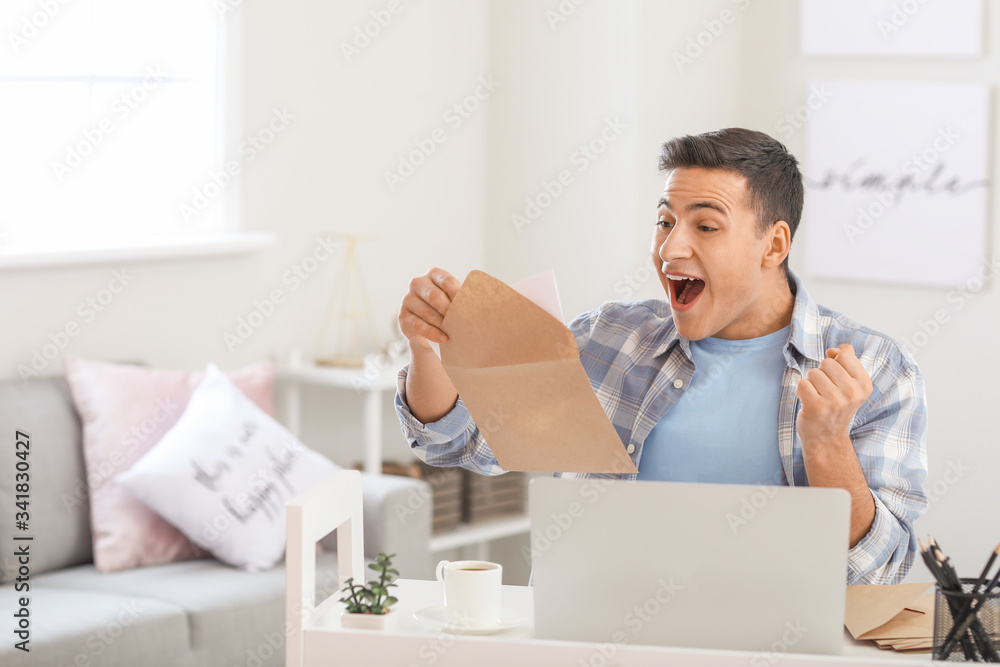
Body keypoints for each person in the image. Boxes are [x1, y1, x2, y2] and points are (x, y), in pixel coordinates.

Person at [393, 128, 928, 585]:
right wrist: (429, 349)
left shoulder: (875, 369)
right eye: (665, 221)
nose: (670, 250)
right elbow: (460, 440)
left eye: (706, 225)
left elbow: (877, 573)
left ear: (773, 244)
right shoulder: (609, 339)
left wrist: (828, 442)